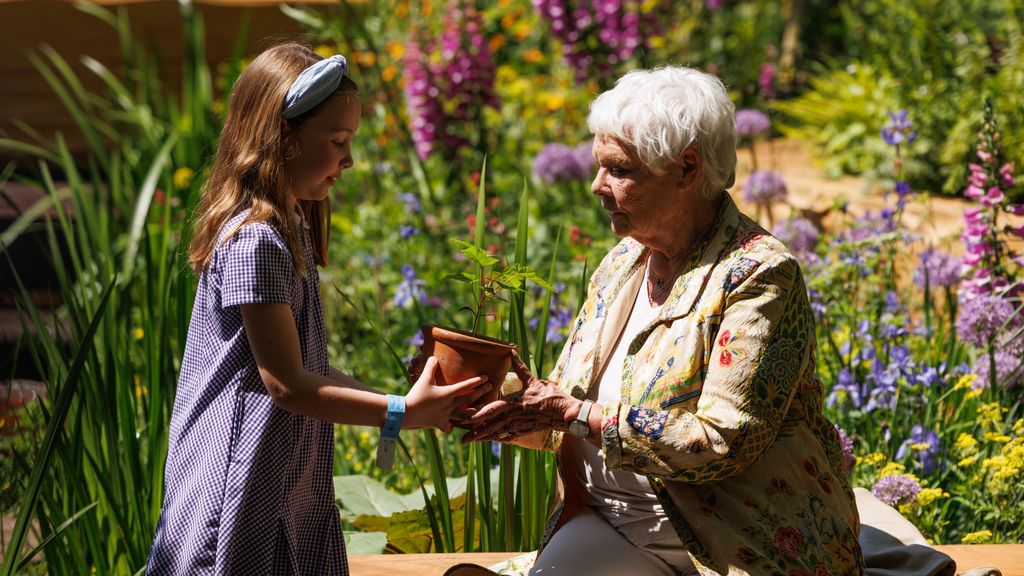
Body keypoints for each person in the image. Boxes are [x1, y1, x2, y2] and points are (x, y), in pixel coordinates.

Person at [464, 66, 865, 576]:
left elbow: (723, 443)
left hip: (727, 543)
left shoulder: (758, 274)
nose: (596, 186)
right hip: (610, 522)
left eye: (619, 170)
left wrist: (576, 415)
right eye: (598, 166)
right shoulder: (623, 262)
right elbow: (562, 411)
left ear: (687, 169)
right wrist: (488, 398)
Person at [146, 43, 490, 575]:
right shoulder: (255, 241)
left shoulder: (291, 230)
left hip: (287, 479)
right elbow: (284, 383)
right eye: (336, 141)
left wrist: (403, 404)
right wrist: (399, 412)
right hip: (240, 483)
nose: (349, 160)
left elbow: (310, 369)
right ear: (282, 137)